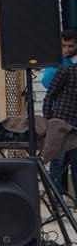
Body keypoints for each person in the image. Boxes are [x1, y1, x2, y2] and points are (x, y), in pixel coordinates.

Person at [43, 30, 77, 197]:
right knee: (58, 160)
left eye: (71, 46)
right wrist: (49, 121)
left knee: (74, 162)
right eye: (63, 46)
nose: (67, 49)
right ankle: (56, 200)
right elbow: (48, 86)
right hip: (61, 120)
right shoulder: (60, 65)